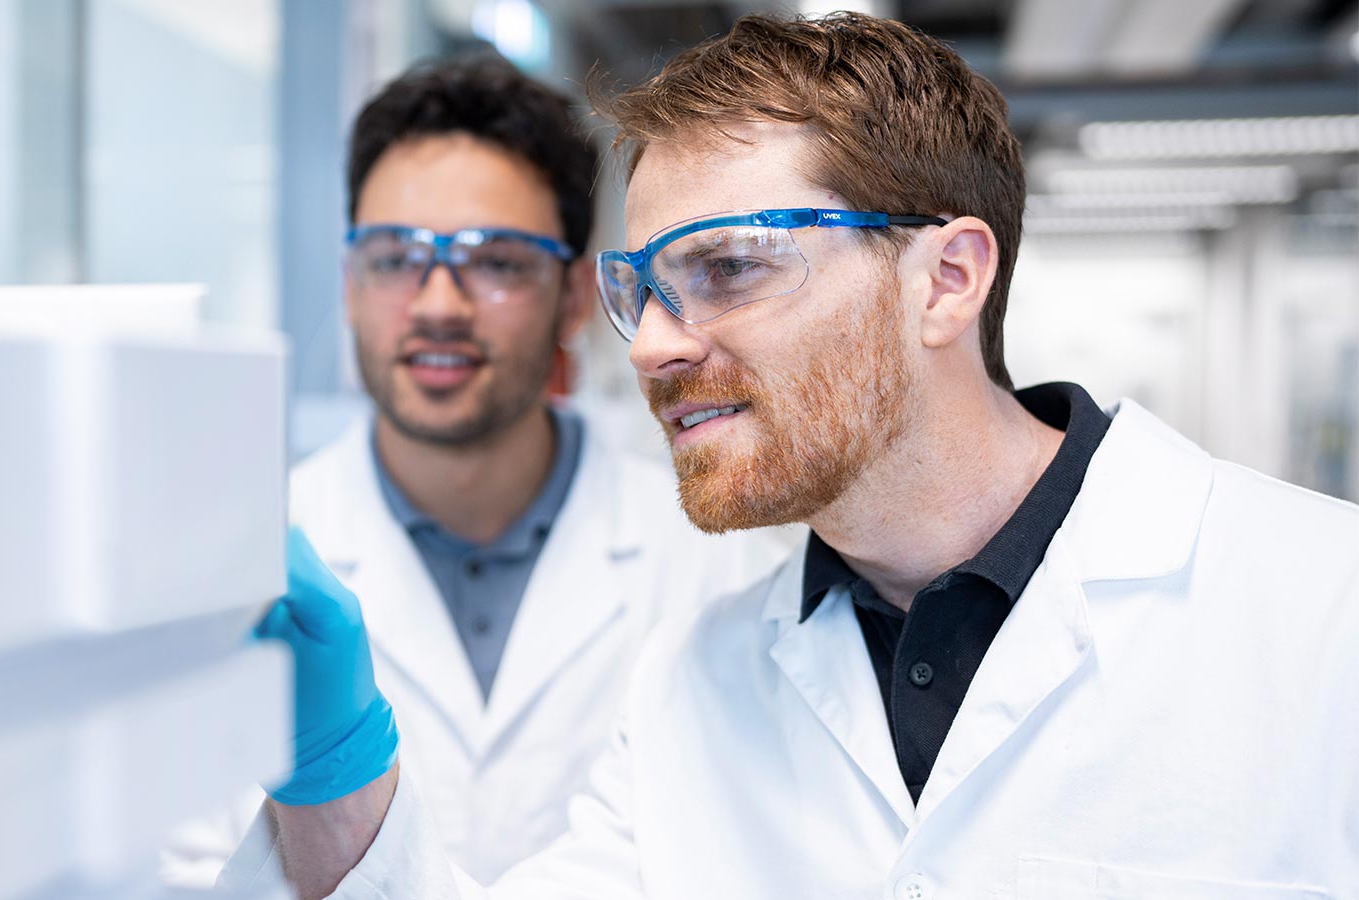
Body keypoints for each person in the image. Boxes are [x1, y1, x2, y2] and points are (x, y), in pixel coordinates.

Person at [226, 13, 1359, 900]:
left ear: (946, 280)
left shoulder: (1319, 612)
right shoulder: (694, 681)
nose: (656, 344)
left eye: (726, 267)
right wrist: (335, 765)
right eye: (643, 289)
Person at [161, 53, 783, 887]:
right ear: (349, 285)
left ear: (572, 295)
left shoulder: (722, 560)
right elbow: (182, 871)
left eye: (495, 261)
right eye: (394, 257)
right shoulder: (242, 572)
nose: (438, 305)